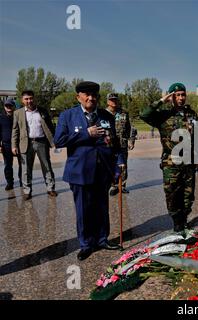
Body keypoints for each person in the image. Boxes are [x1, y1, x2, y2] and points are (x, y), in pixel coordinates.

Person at [54, 81, 122, 261]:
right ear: (79, 97)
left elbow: (114, 143)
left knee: (102, 207)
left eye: (94, 95)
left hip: (103, 170)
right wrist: (86, 133)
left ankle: (102, 239)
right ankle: (86, 244)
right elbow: (59, 140)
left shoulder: (106, 116)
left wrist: (119, 164)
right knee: (84, 210)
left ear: (98, 98)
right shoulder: (67, 115)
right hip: (80, 171)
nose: (90, 98)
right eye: (86, 95)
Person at [140, 83, 198, 232]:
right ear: (171, 97)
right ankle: (176, 221)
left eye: (183, 95)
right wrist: (161, 101)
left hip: (189, 162)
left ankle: (184, 219)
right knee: (172, 192)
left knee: (188, 193)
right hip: (171, 162)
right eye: (177, 95)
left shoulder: (192, 114)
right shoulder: (163, 115)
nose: (180, 98)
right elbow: (144, 114)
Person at [11, 90, 57, 200]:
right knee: (26, 168)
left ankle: (50, 188)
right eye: (26, 99)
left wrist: (54, 141)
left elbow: (50, 127)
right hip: (25, 143)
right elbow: (15, 130)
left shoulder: (42, 111)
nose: (29, 101)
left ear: (34, 98)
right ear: (22, 100)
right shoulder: (18, 113)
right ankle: (27, 191)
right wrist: (14, 145)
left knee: (47, 166)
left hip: (41, 142)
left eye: (31, 98)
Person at [105, 93, 137, 196]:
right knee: (110, 165)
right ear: (107, 101)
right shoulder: (103, 114)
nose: (113, 102)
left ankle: (122, 186)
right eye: (111, 100)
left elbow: (130, 128)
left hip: (122, 144)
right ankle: (113, 186)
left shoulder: (124, 113)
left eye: (115, 100)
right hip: (108, 145)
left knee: (123, 165)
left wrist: (131, 140)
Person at [0, 98, 22, 190]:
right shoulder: (1, 117)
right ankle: (10, 182)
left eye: (10, 105)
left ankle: (22, 181)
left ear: (14, 106)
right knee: (8, 165)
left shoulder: (18, 116)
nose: (8, 107)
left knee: (22, 164)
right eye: (7, 105)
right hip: (6, 144)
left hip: (19, 143)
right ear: (4, 107)